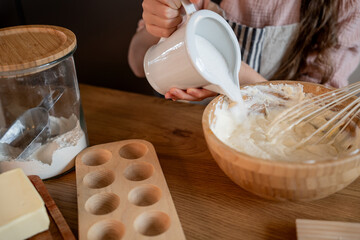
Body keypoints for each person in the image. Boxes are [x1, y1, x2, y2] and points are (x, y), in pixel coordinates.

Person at [128, 0, 360, 101]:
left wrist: (240, 78)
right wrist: (164, 21)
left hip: (269, 136)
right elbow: (138, 63)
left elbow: (316, 114)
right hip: (178, 126)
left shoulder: (344, 6)